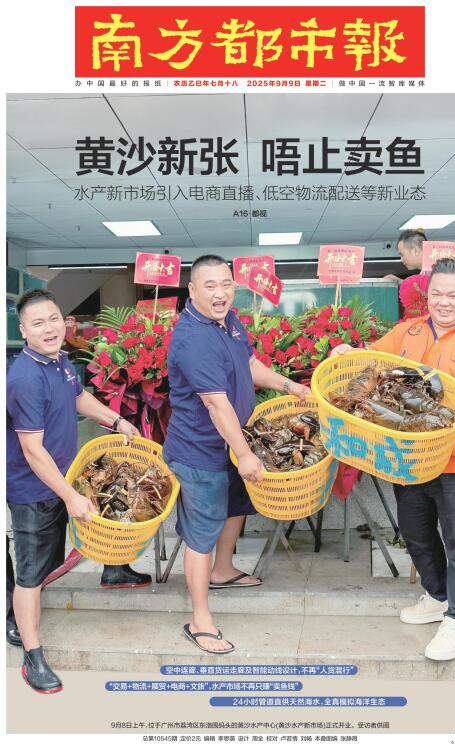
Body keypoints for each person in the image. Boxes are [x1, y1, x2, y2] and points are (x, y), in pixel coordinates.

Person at [331, 259, 455, 661]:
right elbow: (372, 361)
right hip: (411, 458)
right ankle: (437, 596)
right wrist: (349, 352)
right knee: (415, 531)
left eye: (453, 295)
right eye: (437, 293)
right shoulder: (408, 331)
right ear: (427, 294)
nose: (443, 302)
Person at [163, 255, 309, 654]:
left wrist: (289, 386)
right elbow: (216, 404)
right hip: (199, 452)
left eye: (226, 284)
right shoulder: (192, 338)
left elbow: (249, 363)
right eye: (210, 286)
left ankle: (223, 570)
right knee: (201, 534)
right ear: (192, 290)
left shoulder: (228, 321)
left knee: (235, 506)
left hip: (232, 442)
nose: (220, 293)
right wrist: (244, 454)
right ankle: (200, 619)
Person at [7, 289, 144, 693]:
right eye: (37, 323)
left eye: (53, 319)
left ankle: (111, 571)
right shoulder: (24, 378)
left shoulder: (60, 360)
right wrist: (70, 496)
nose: (49, 329)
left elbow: (79, 396)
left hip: (66, 476)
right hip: (34, 489)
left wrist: (116, 421)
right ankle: (32, 656)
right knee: (32, 574)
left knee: (48, 563)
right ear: (23, 330)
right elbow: (32, 451)